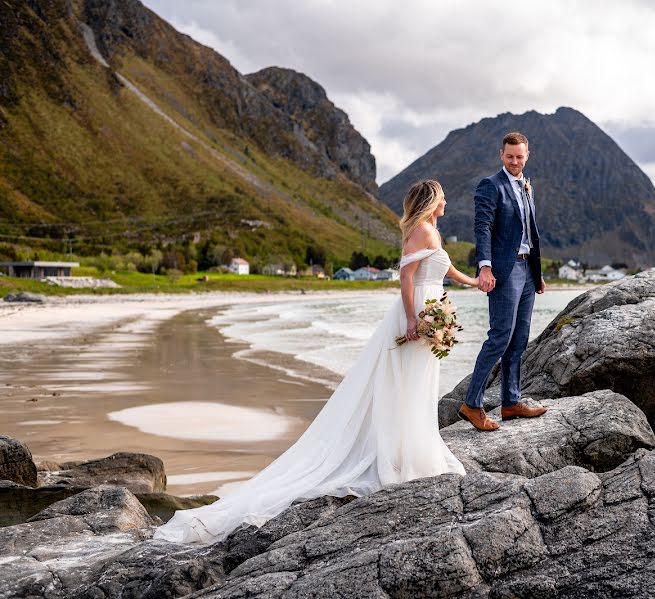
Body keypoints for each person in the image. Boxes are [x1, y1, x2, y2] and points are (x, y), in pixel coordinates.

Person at [154, 180, 478, 544]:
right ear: (431, 200)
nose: (447, 199)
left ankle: (410, 446)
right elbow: (406, 278)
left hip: (431, 308)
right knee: (407, 384)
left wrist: (475, 283)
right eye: (444, 195)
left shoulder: (430, 230)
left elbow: (442, 272)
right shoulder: (421, 230)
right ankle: (402, 454)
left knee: (417, 384)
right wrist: (411, 318)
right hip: (417, 313)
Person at [459, 132, 548, 431]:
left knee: (519, 339)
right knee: (500, 337)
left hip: (526, 271)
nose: (514, 161)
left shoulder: (527, 186)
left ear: (527, 155)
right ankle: (472, 404)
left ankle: (511, 402)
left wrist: (537, 273)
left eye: (519, 156)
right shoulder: (490, 185)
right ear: (501, 154)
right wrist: (485, 267)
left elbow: (530, 233)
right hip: (503, 272)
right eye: (509, 156)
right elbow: (482, 226)